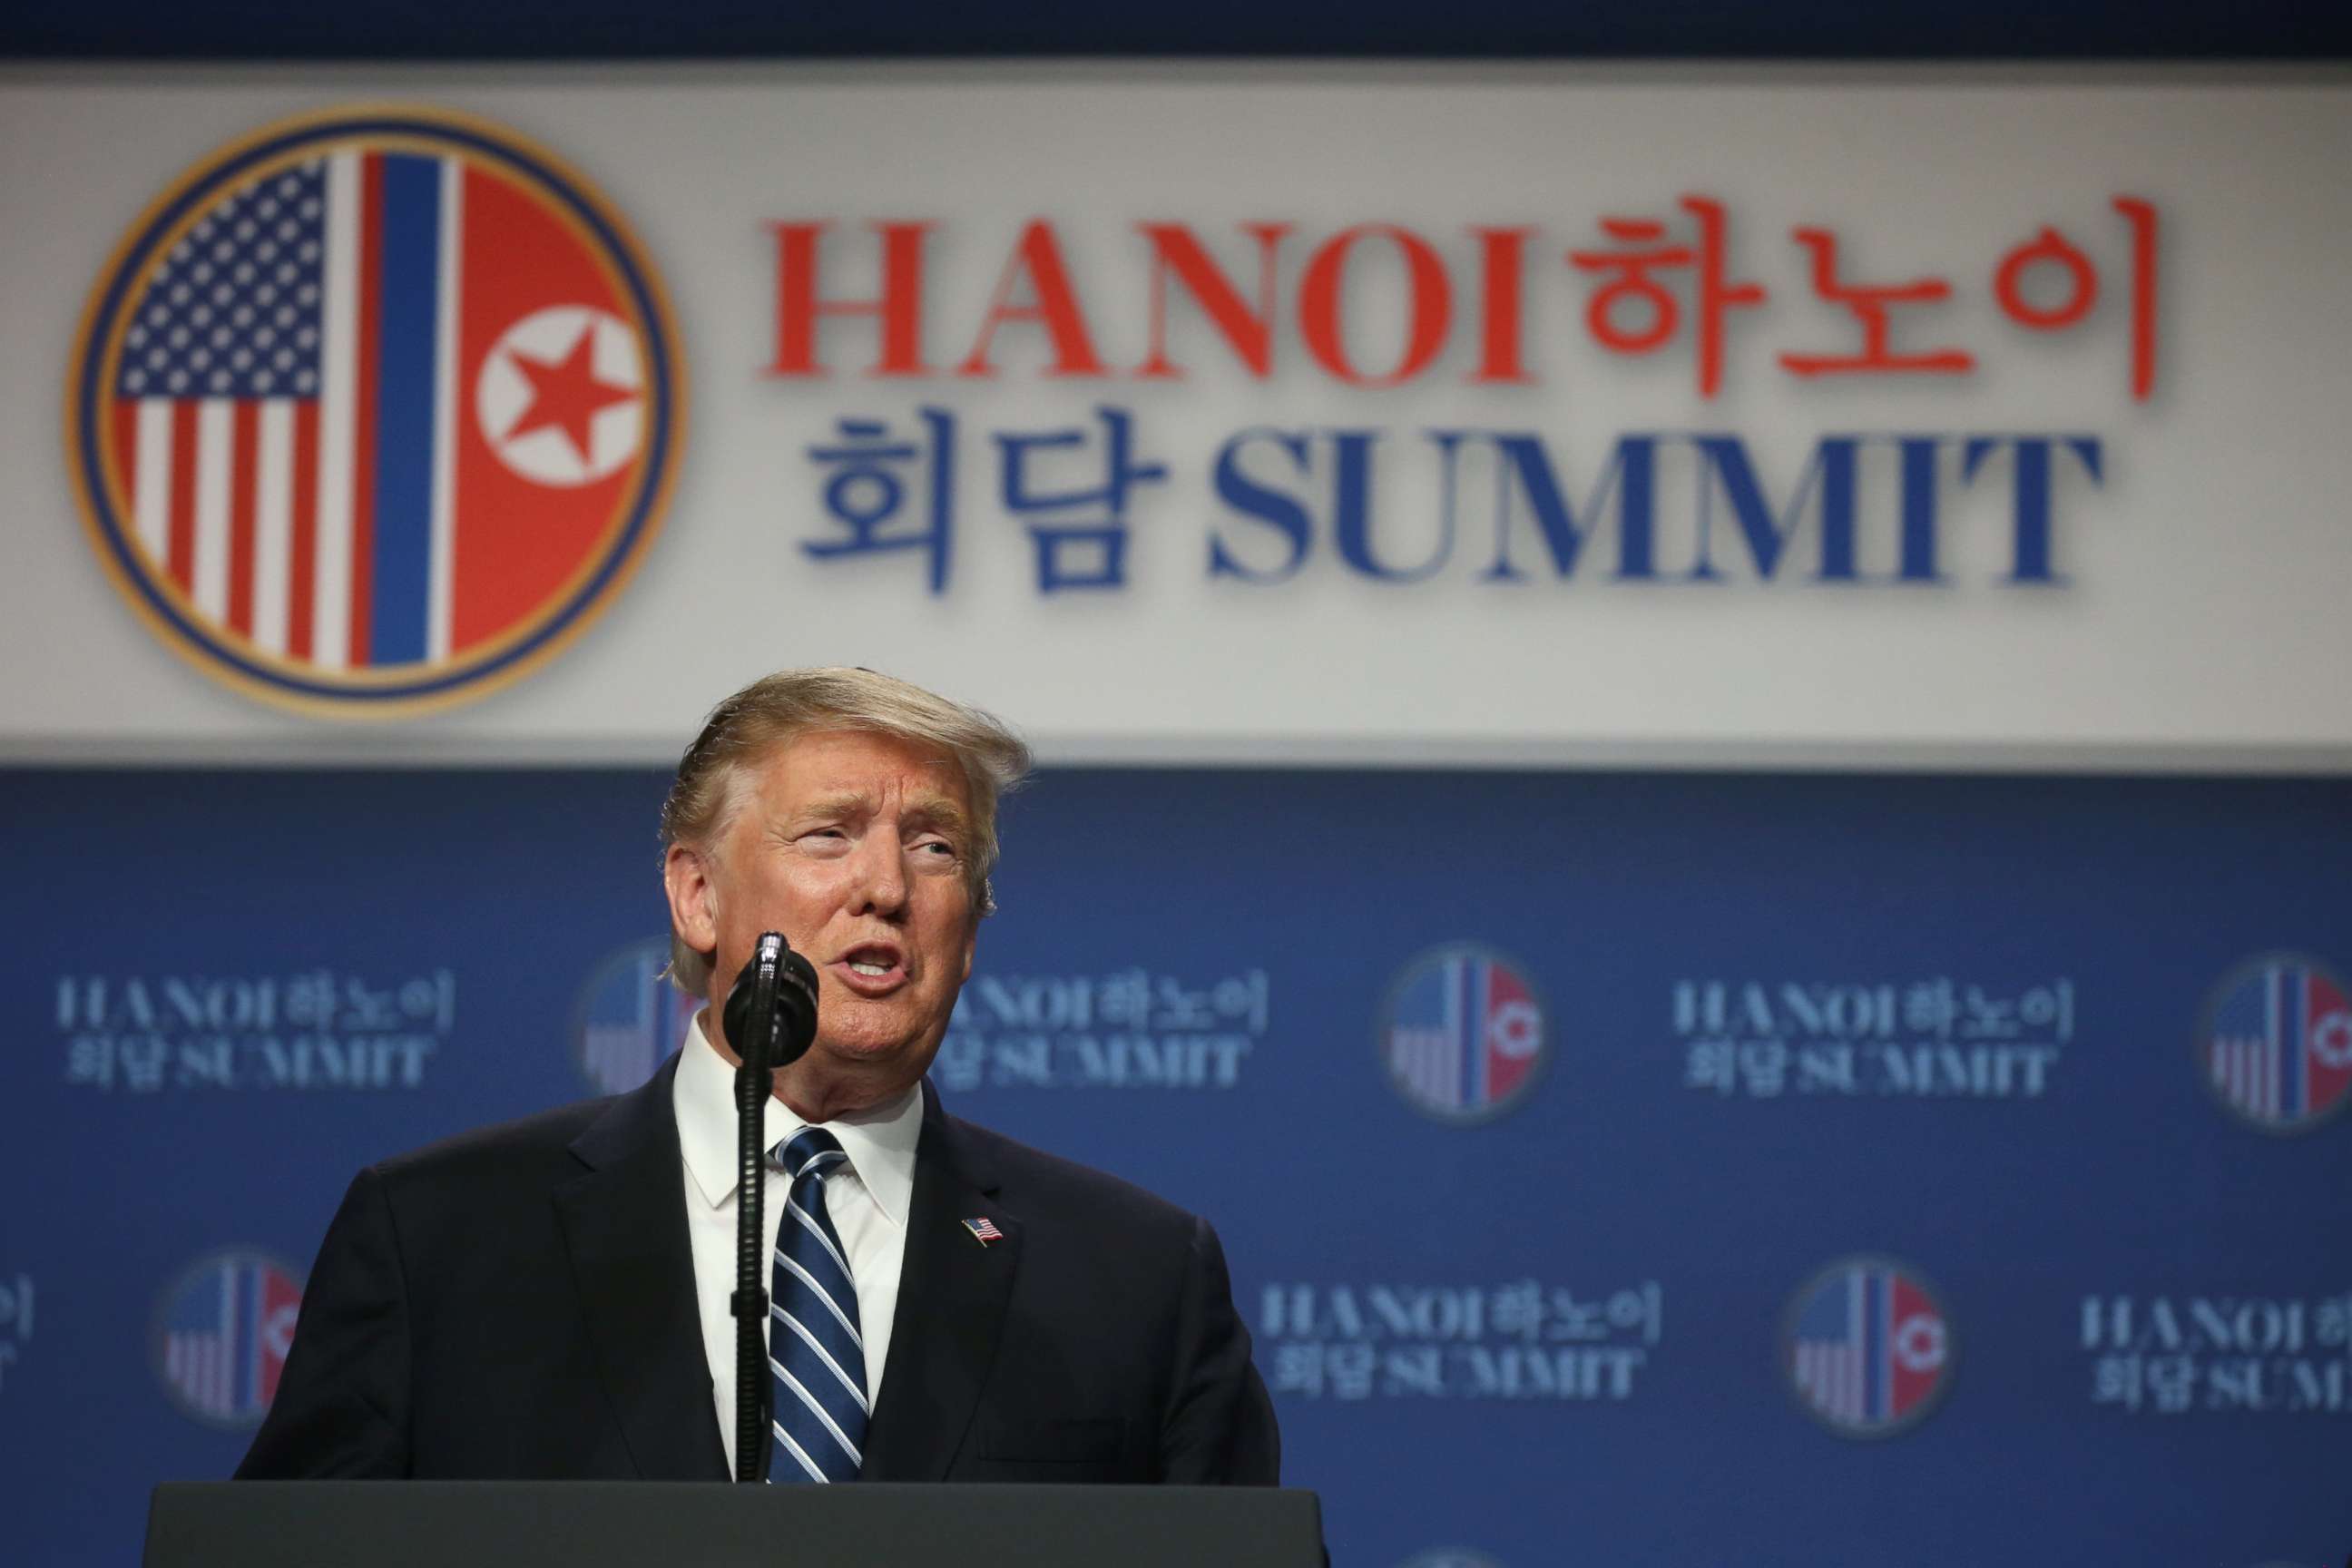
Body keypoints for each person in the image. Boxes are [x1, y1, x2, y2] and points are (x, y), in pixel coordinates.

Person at [239, 668, 1278, 1485]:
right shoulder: (439, 1239)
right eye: (829, 835)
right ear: (697, 897)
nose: (884, 888)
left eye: (936, 849)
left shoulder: (1135, 1276)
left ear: (972, 930)